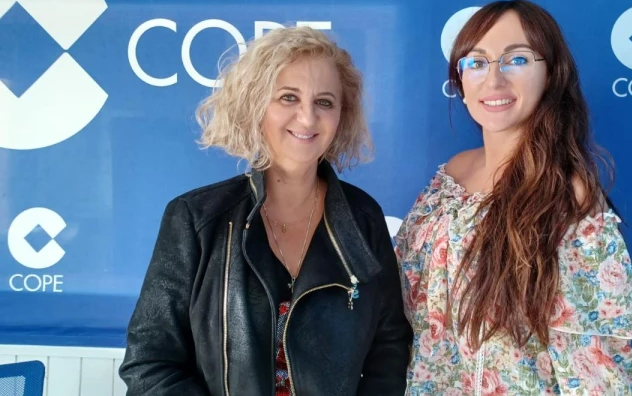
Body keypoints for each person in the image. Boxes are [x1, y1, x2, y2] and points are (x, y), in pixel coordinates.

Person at [119, 26, 412, 396]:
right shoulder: (195, 218)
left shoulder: (363, 219)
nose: (307, 118)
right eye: (288, 97)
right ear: (255, 106)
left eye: (324, 102)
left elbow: (388, 349)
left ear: (342, 115)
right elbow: (149, 364)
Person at [395, 0, 632, 395]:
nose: (494, 80)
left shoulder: (569, 194)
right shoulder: (451, 174)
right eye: (477, 62)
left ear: (551, 74)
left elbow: (590, 362)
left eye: (517, 59)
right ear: (460, 81)